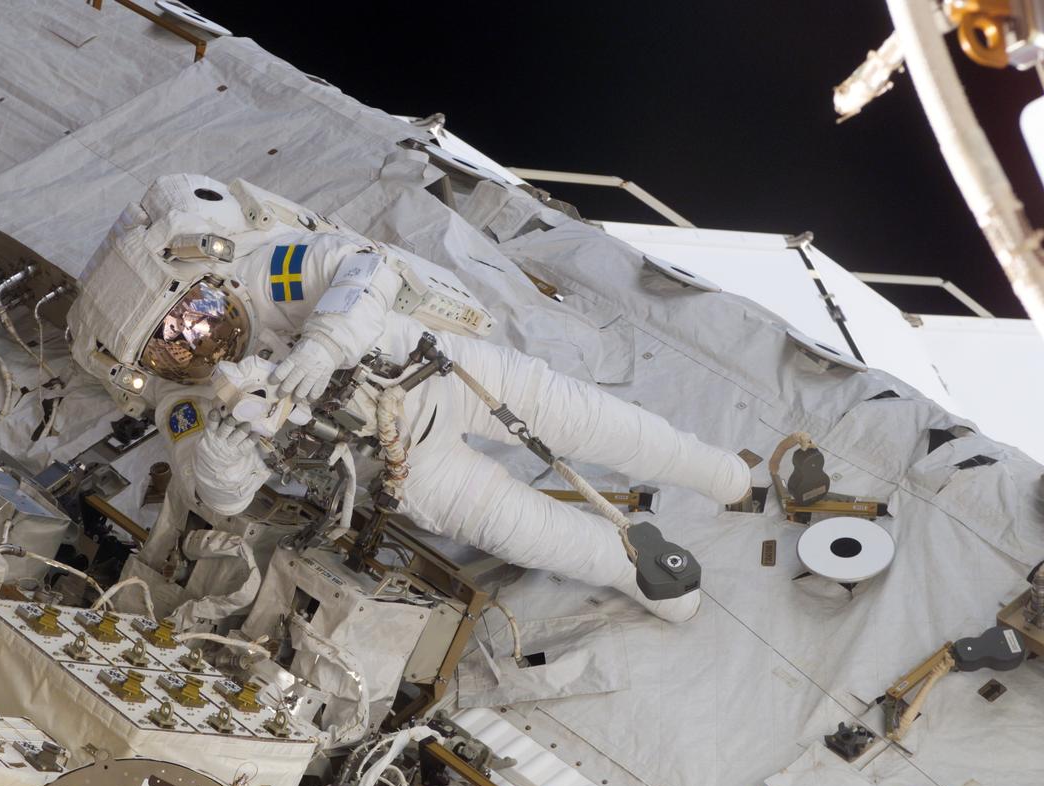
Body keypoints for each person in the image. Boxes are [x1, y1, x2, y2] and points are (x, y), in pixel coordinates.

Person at [69, 174, 752, 622]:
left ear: (199, 281)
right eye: (170, 345)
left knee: (598, 425)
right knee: (525, 530)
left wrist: (322, 347)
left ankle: (719, 473)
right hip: (395, 467)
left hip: (438, 374)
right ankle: (646, 580)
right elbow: (214, 493)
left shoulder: (263, 273)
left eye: (190, 316)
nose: (196, 342)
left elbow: (359, 269)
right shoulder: (183, 397)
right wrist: (221, 455)